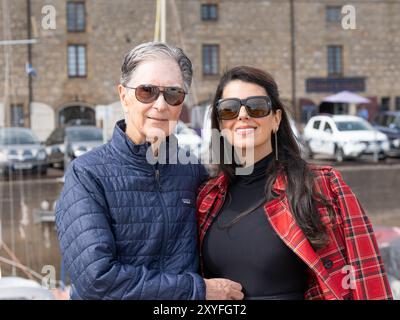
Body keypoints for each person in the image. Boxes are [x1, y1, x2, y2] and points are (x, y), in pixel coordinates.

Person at [55, 42, 243, 300]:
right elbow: (96, 281)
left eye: (173, 94)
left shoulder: (192, 171)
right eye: (147, 91)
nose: (161, 104)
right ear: (124, 95)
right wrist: (196, 290)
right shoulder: (87, 175)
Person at [197, 66, 393, 300]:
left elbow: (368, 279)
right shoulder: (206, 197)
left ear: (276, 119)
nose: (242, 115)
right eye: (228, 109)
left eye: (256, 107)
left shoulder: (323, 185)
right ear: (220, 123)